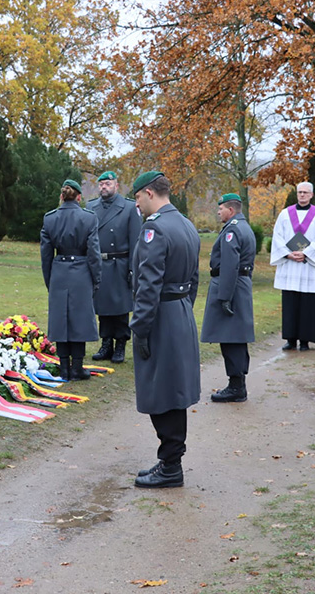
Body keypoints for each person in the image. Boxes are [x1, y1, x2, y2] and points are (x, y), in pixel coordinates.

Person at [129, 171, 201, 488]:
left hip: (160, 316)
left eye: (137, 197)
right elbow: (196, 279)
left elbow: (148, 286)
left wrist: (141, 328)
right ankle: (169, 460)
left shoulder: (154, 230)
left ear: (148, 194)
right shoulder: (186, 225)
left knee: (162, 391)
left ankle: (171, 466)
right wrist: (183, 306)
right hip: (181, 311)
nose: (137, 204)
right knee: (174, 388)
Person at [40, 179, 102, 380]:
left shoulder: (50, 219)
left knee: (60, 320)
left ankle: (64, 367)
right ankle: (77, 367)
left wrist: (50, 279)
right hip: (82, 272)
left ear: (61, 197)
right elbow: (94, 253)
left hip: (58, 271)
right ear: (79, 197)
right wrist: (96, 278)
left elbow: (46, 255)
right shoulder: (89, 218)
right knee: (80, 320)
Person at [201, 193, 256, 402]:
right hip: (240, 286)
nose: (218, 212)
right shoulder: (244, 227)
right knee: (236, 337)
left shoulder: (232, 229)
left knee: (230, 338)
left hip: (230, 287)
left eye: (221, 208)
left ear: (230, 210)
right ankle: (238, 383)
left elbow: (230, 265)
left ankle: (236, 386)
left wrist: (224, 296)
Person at [88, 170, 141, 363]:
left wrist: (133, 269)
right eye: (101, 184)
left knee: (120, 309)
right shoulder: (91, 207)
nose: (104, 187)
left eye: (108, 183)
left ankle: (120, 345)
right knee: (102, 308)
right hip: (100, 264)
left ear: (116, 186)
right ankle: (106, 344)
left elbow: (136, 240)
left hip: (120, 263)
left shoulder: (128, 207)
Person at [269, 181, 315, 351]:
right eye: (300, 192)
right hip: (290, 265)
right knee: (291, 303)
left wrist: (306, 254)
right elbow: (277, 237)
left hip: (308, 266)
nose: (302, 195)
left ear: (311, 194)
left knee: (307, 305)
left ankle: (305, 340)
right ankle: (290, 339)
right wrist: (288, 254)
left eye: (305, 192)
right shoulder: (284, 214)